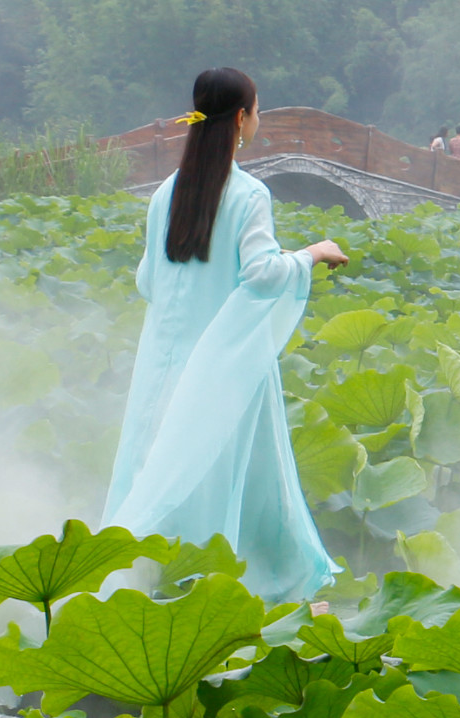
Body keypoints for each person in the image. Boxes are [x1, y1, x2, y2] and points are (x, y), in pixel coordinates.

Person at [104, 67, 352, 602]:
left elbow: (148, 279)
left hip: (163, 364)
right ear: (242, 118)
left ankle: (153, 585)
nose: (258, 119)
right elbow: (261, 274)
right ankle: (267, 591)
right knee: (251, 478)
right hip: (224, 365)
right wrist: (311, 254)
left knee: (163, 467)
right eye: (258, 109)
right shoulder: (248, 194)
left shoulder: (165, 192)